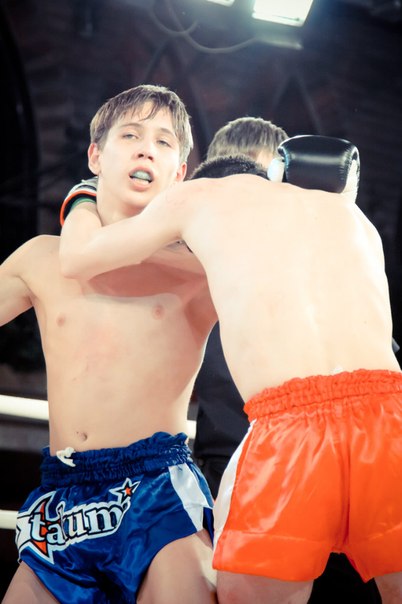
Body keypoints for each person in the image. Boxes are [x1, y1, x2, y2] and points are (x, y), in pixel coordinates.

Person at [57, 139, 402, 604]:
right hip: (391, 417)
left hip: (289, 429)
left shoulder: (194, 197)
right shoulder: (352, 218)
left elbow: (77, 257)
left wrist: (85, 192)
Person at [0, 84, 218, 603]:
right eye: (131, 135)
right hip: (63, 497)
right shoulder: (40, 258)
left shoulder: (200, 271)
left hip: (158, 493)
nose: (147, 150)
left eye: (164, 142)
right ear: (96, 156)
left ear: (179, 174)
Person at [192, 117, 288, 499]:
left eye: (264, 181)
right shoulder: (185, 271)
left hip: (302, 466)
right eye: (242, 180)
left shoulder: (311, 270)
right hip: (220, 472)